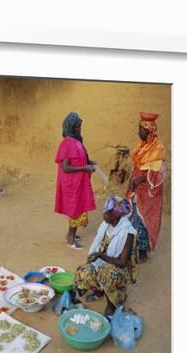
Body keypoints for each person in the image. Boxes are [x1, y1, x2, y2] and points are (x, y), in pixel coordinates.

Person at [74, 196, 139, 315]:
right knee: (85, 271)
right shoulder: (106, 225)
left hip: (119, 269)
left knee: (106, 275)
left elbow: (122, 262)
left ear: (114, 216)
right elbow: (98, 244)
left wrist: (100, 255)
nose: (103, 215)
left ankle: (113, 304)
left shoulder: (127, 233)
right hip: (103, 261)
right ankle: (99, 291)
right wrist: (95, 257)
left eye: (106, 213)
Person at [126, 112, 166, 263]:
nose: (138, 132)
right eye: (138, 129)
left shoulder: (158, 148)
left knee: (145, 220)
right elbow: (139, 165)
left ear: (149, 131)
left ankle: (142, 252)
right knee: (134, 216)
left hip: (149, 192)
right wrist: (134, 180)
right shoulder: (142, 146)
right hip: (137, 189)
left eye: (141, 130)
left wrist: (140, 179)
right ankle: (133, 248)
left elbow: (158, 172)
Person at [54, 112, 97, 249]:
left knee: (79, 206)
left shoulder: (77, 141)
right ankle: (71, 238)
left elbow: (79, 159)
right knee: (76, 208)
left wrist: (89, 162)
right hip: (72, 183)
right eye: (78, 127)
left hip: (79, 182)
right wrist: (85, 168)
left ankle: (71, 233)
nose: (79, 129)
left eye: (80, 126)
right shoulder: (67, 143)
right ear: (71, 127)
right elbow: (66, 167)